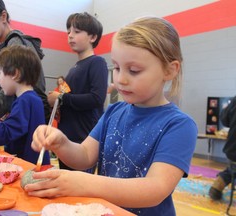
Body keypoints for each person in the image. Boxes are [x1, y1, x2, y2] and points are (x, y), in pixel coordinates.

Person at [24, 16, 198, 215]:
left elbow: (155, 189)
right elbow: (85, 155)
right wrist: (61, 143)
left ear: (169, 70)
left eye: (133, 70)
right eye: (116, 68)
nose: (120, 79)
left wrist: (84, 183)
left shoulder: (179, 125)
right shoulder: (114, 112)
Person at [47, 12, 108, 173]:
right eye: (68, 32)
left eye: (76, 32)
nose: (70, 36)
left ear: (93, 37)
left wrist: (61, 98)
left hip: (84, 140)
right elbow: (70, 98)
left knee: (79, 191)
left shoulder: (97, 63)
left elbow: (96, 98)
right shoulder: (74, 68)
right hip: (67, 138)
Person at [209, 96, 236, 200]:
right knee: (232, 170)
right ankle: (216, 187)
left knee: (232, 169)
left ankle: (217, 187)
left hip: (232, 149)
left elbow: (225, 120)